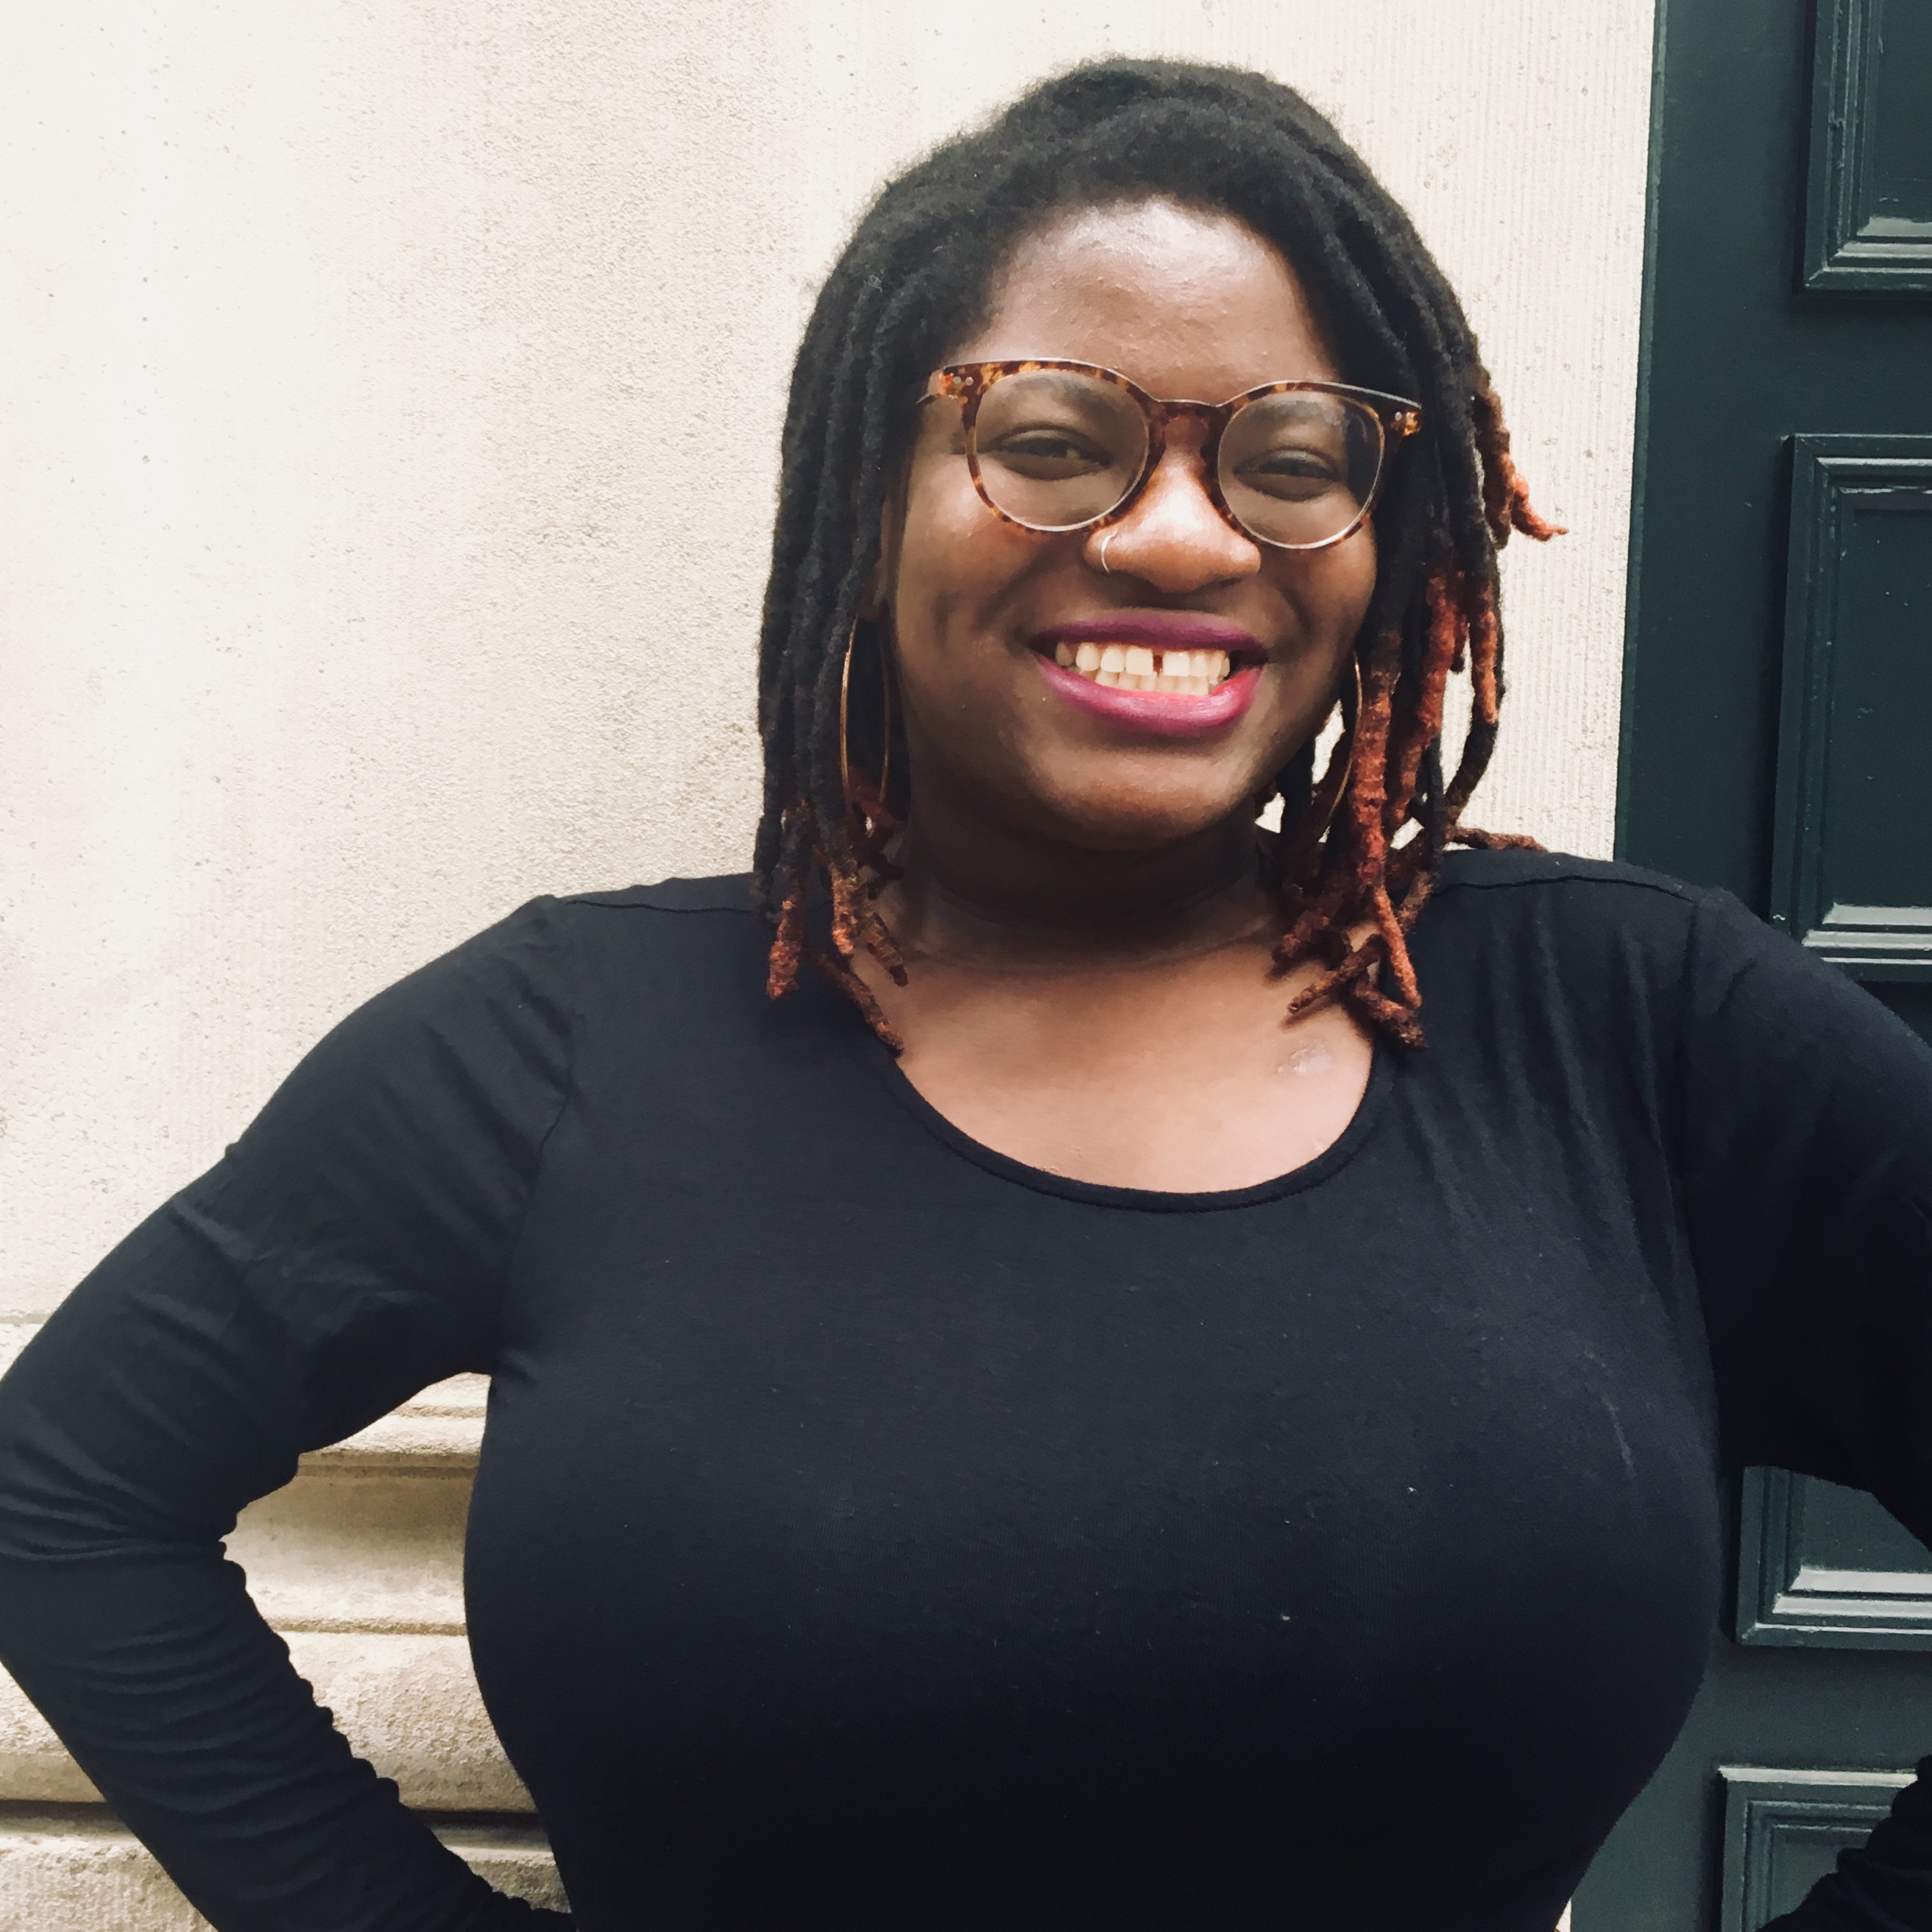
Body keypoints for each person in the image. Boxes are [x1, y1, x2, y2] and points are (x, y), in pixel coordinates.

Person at [0, 55, 1928, 1932]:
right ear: (869, 496)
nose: (1176, 534)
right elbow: (62, 1488)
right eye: (1054, 440)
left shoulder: (1643, 1031)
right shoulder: (559, 1045)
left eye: (1287, 461)